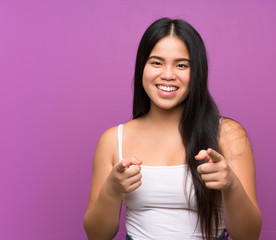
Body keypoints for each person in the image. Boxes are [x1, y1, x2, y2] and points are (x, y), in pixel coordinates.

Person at [83, 17, 262, 240]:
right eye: (157, 62)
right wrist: (111, 189)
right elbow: (97, 236)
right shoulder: (113, 140)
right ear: (142, 67)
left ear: (197, 72)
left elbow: (249, 235)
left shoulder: (228, 134)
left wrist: (232, 185)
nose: (168, 74)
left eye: (181, 65)